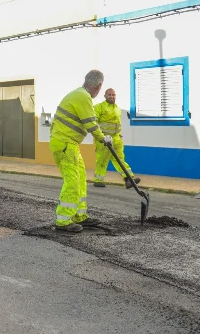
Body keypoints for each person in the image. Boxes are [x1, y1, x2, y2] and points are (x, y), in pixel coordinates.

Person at [49, 70, 112, 233]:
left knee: (81, 178)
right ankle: (63, 220)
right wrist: (103, 138)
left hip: (70, 145)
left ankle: (79, 215)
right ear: (99, 86)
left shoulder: (79, 94)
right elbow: (91, 123)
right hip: (65, 144)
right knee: (73, 182)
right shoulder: (83, 97)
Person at [93, 88, 141, 189]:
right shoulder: (99, 107)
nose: (112, 97)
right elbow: (93, 123)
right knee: (102, 159)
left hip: (117, 139)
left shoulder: (117, 109)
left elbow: (117, 125)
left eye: (113, 95)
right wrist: (100, 136)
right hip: (104, 139)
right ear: (105, 96)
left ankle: (129, 179)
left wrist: (119, 135)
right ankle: (98, 180)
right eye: (109, 95)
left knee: (119, 159)